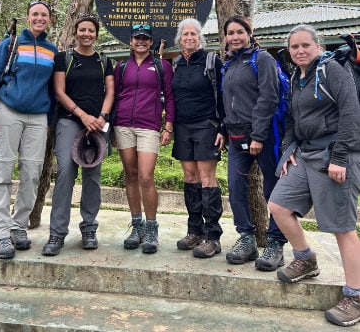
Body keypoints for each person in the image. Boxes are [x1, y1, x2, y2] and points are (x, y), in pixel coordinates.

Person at [268, 24, 360, 327]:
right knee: (278, 205)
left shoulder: (331, 70)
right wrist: (289, 149)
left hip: (334, 155)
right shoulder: (298, 76)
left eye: (306, 45)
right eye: (294, 47)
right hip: (305, 154)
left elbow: (350, 111)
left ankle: (355, 295)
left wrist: (339, 157)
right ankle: (305, 258)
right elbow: (293, 118)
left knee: (342, 227)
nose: (300, 51)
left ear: (318, 46)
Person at [0, 0, 57, 260]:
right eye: (35, 14)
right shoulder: (11, 44)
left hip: (38, 117)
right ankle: (0, 233)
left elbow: (54, 89)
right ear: (27, 17)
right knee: (2, 172)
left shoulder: (52, 50)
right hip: (9, 111)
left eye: (44, 15)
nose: (39, 18)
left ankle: (18, 227)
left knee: (32, 174)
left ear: (49, 20)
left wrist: (50, 119)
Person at [42, 13, 114, 256]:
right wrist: (83, 115)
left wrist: (102, 116)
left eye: (91, 30)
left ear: (96, 33)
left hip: (97, 124)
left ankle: (89, 228)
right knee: (65, 171)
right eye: (82, 30)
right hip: (70, 120)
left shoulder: (104, 61)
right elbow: (59, 92)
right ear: (76, 32)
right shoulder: (64, 58)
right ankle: (57, 233)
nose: (86, 34)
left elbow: (110, 92)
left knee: (92, 175)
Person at [222, 14, 287, 271]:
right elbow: (226, 102)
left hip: (263, 134)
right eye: (231, 33)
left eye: (240, 32)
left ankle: (276, 242)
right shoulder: (228, 64)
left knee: (273, 190)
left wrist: (259, 135)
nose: (235, 37)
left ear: (249, 34)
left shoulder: (262, 59)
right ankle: (247, 237)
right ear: (225, 38)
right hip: (235, 137)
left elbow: (268, 97)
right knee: (236, 187)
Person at [113, 23, 175, 254]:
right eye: (137, 38)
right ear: (130, 41)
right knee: (130, 175)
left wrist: (168, 126)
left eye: (145, 38)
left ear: (151, 42)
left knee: (146, 177)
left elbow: (170, 96)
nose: (141, 41)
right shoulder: (121, 66)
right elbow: (115, 94)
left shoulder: (162, 66)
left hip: (148, 126)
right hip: (123, 125)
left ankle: (151, 227)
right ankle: (136, 224)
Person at [172, 18, 226, 259]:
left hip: (206, 125)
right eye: (185, 34)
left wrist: (222, 128)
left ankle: (212, 236)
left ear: (200, 37)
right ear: (180, 39)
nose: (189, 37)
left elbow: (223, 95)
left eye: (194, 34)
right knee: (190, 177)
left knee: (207, 178)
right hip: (183, 127)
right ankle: (194, 230)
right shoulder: (176, 64)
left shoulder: (212, 61)